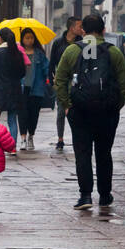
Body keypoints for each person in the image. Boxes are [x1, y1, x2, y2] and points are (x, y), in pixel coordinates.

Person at [54, 13, 125, 211]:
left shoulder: (71, 51)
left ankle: (85, 195)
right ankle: (104, 195)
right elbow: (124, 83)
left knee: (83, 153)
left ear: (83, 31)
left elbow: (59, 80)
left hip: (79, 111)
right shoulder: (114, 53)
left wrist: (67, 105)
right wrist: (116, 105)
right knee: (104, 153)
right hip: (107, 112)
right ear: (103, 30)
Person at [0, 27, 25, 153]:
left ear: (0, 38)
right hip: (15, 90)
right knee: (12, 119)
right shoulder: (18, 53)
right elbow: (22, 72)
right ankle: (12, 147)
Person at [47, 16, 82, 151]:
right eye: (79, 26)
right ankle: (60, 139)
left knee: (76, 110)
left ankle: (77, 137)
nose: (81, 28)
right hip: (61, 81)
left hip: (76, 80)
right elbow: (52, 62)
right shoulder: (58, 43)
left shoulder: (82, 43)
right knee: (61, 111)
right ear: (72, 28)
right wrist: (51, 78)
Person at [19, 28, 51, 152]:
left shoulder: (39, 54)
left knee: (33, 115)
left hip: (36, 89)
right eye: (27, 37)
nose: (29, 40)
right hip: (21, 89)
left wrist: (49, 78)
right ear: (22, 39)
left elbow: (46, 69)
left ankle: (31, 136)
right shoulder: (18, 52)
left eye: (31, 37)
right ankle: (23, 139)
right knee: (22, 114)